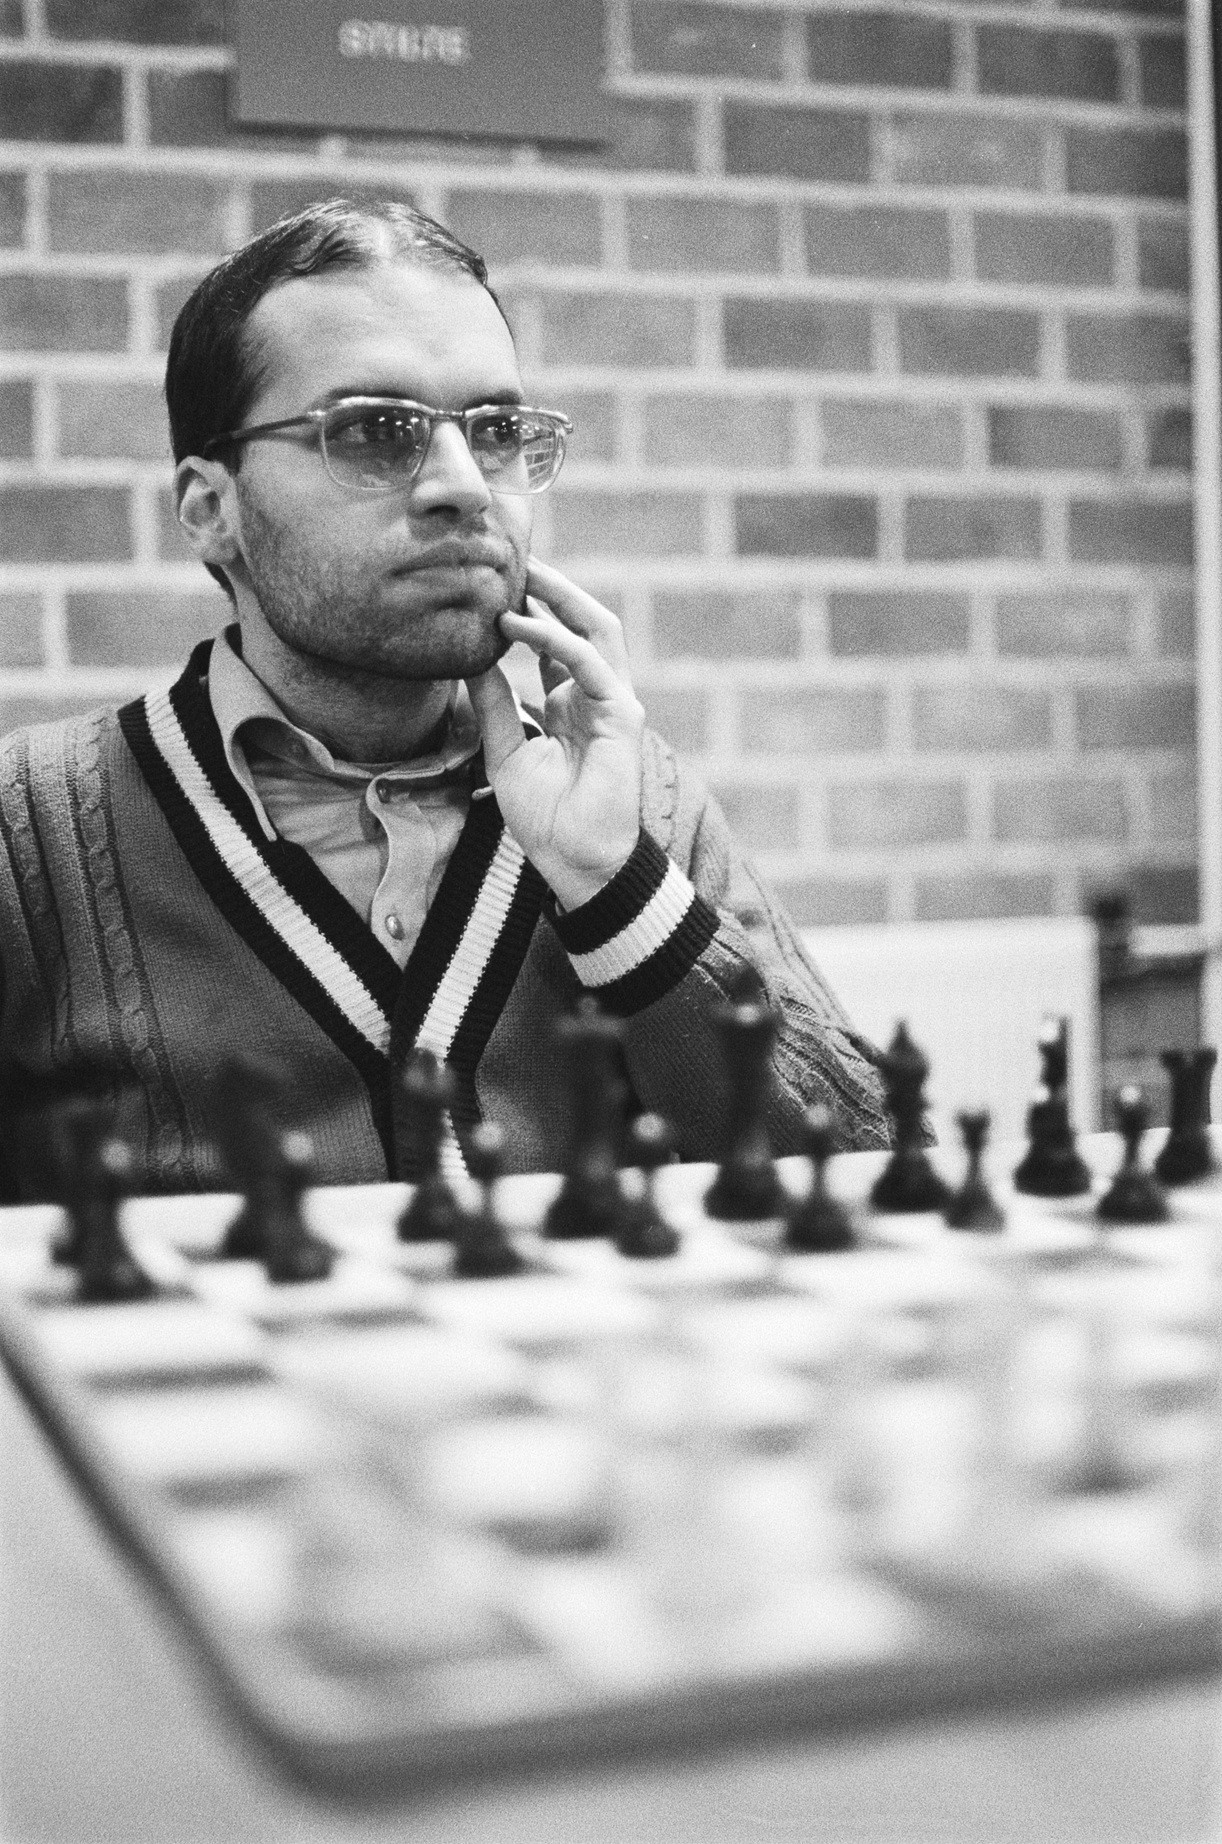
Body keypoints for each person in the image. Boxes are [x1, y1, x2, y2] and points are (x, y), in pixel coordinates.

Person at [0, 199, 889, 1195]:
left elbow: (867, 1180)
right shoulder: (27, 833)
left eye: (498, 430)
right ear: (214, 509)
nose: (465, 484)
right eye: (375, 432)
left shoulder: (636, 799)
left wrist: (612, 884)